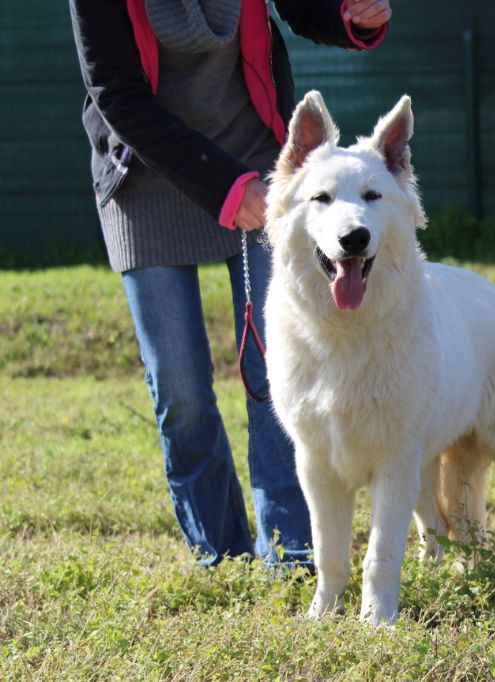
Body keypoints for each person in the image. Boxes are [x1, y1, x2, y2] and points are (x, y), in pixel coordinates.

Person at [69, 0, 392, 567]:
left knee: (279, 370)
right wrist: (222, 187)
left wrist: (351, 16)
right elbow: (114, 92)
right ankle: (224, 556)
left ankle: (291, 552)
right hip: (145, 179)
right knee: (182, 390)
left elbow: (302, 6)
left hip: (258, 166)